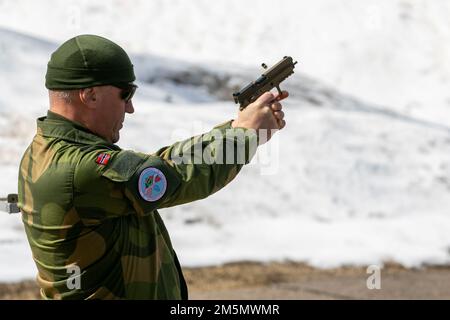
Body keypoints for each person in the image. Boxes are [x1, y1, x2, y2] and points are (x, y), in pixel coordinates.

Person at [17, 34, 288, 299]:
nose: (131, 108)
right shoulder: (80, 169)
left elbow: (164, 164)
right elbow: (181, 177)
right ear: (90, 96)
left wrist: (235, 128)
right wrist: (245, 136)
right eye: (126, 94)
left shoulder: (50, 151)